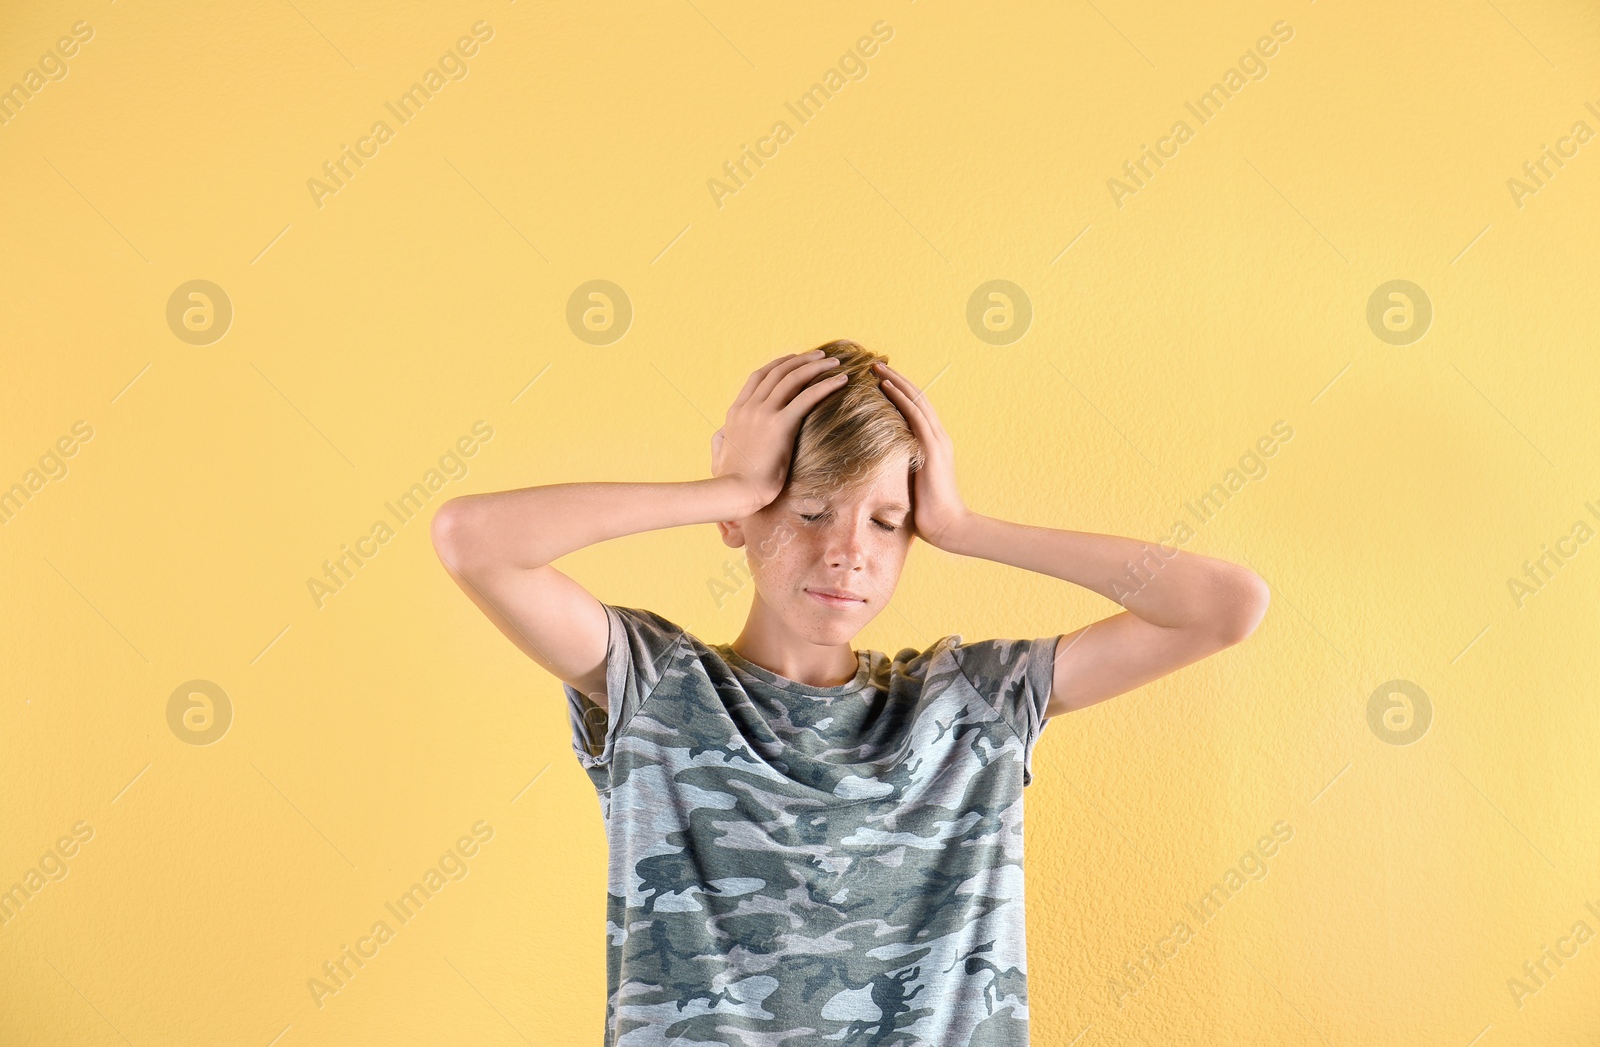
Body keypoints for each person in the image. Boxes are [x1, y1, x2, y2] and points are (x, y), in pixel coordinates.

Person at [429, 340, 1269, 1045]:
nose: (848, 551)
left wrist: (968, 527)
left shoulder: (970, 706)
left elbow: (1226, 606)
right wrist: (723, 489)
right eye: (808, 510)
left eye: (885, 520)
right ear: (746, 520)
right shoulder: (658, 689)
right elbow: (472, 540)